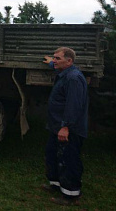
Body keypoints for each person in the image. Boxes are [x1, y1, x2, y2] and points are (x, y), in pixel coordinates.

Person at [41, 47, 88, 206]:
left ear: (69, 61)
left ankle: (71, 194)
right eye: (53, 58)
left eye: (57, 58)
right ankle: (55, 184)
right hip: (57, 126)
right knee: (53, 153)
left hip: (68, 128)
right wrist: (50, 62)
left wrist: (65, 127)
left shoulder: (74, 79)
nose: (54, 61)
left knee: (68, 159)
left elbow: (73, 106)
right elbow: (54, 64)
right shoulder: (65, 73)